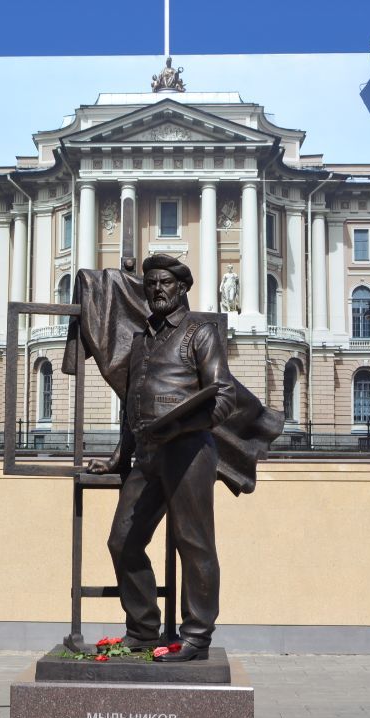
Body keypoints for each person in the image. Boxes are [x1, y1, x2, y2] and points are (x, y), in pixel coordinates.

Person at [87, 255, 236, 662]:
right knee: (123, 541)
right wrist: (121, 456)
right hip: (148, 456)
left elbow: (223, 397)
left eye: (165, 283)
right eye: (150, 283)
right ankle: (142, 629)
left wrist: (182, 425)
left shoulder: (199, 333)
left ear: (182, 288)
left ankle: (197, 636)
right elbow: (131, 404)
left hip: (188, 452)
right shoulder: (142, 340)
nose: (156, 289)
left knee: (194, 542)